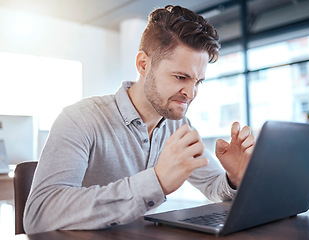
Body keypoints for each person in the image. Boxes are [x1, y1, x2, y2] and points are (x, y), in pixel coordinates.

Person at [24, 5, 255, 234]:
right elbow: (39, 215)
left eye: (197, 81)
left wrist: (233, 178)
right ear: (143, 64)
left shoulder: (179, 126)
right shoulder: (80, 119)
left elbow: (213, 185)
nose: (191, 93)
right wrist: (156, 181)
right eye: (180, 77)